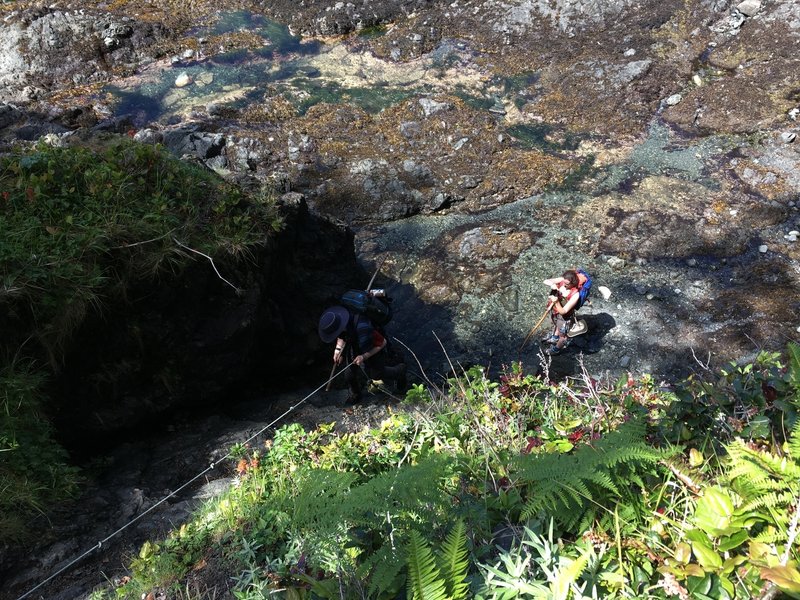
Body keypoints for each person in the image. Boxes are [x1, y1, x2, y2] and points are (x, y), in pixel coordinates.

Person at [318, 305, 407, 403]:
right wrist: (338, 350)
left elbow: (382, 343)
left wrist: (364, 356)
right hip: (356, 345)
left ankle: (400, 371)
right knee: (349, 374)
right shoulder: (341, 322)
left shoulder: (364, 329)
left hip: (372, 347)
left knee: (376, 374)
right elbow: (341, 336)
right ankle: (356, 394)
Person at [542, 270, 582, 355]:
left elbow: (564, 311)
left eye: (567, 284)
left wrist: (556, 302)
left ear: (573, 284)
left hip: (565, 317)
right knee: (556, 324)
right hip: (555, 312)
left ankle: (556, 349)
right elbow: (545, 281)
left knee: (563, 336)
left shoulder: (575, 295)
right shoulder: (562, 280)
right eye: (564, 282)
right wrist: (552, 285)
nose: (564, 285)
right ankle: (555, 337)